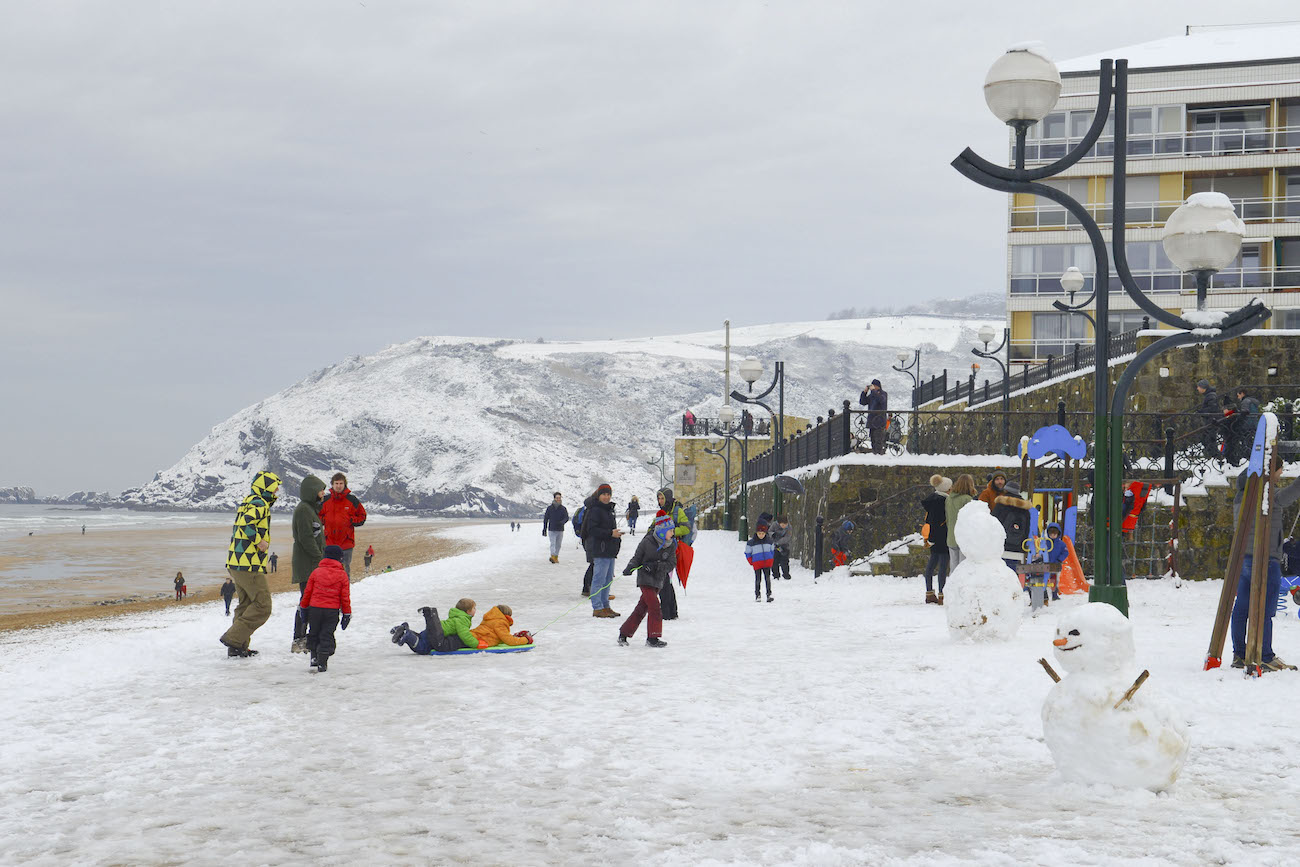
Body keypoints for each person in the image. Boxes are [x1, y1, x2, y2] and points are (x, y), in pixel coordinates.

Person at [1230, 463, 1300, 671]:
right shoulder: (1267, 495)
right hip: (1265, 559)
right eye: (1279, 470)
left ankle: (1240, 654)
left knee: (1241, 608)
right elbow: (1292, 492)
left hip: (1244, 558)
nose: (1281, 474)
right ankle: (1265, 656)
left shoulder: (1243, 493)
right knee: (1265, 609)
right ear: (1270, 471)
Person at [218, 470, 281, 658]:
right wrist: (259, 541)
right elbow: (246, 524)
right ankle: (233, 638)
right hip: (248, 563)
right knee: (263, 605)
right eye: (274, 487)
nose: (277, 490)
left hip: (235, 562)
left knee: (245, 604)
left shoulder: (249, 500)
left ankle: (238, 648)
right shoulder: (260, 503)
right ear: (266, 487)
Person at [618, 511, 676, 647]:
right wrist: (630, 568)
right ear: (662, 531)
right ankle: (653, 638)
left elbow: (672, 564)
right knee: (655, 606)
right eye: (670, 530)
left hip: (658, 581)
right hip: (645, 579)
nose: (672, 533)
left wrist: (656, 566)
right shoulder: (647, 541)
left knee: (641, 608)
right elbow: (637, 558)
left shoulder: (672, 545)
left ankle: (623, 634)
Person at [298, 545, 353, 672]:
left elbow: (307, 593)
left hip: (315, 609)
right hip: (332, 611)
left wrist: (304, 608)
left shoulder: (316, 572)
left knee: (314, 632)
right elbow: (345, 597)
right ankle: (322, 662)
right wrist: (346, 614)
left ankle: (314, 658)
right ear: (339, 558)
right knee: (326, 634)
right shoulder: (342, 575)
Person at [291, 475, 328, 654]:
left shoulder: (310, 509)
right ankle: (298, 639)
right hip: (308, 565)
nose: (323, 493)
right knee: (305, 601)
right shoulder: (304, 510)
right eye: (321, 490)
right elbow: (305, 538)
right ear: (312, 491)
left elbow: (316, 536)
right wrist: (320, 558)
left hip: (313, 564)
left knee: (310, 601)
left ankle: (305, 638)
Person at [584, 484, 624, 617]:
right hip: (600, 550)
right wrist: (610, 533)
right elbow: (592, 530)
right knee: (599, 579)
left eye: (608, 494)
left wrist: (615, 535)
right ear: (599, 495)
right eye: (604, 494)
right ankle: (597, 607)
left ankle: (605, 605)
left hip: (610, 550)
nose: (606, 497)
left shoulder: (609, 509)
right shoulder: (595, 510)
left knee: (607, 580)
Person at [652, 487, 690, 620]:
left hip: (672, 549)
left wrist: (671, 532)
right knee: (666, 580)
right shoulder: (662, 512)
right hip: (662, 549)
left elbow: (686, 528)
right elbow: (653, 528)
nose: (660, 500)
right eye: (658, 498)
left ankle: (667, 612)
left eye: (662, 498)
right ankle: (671, 611)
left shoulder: (677, 511)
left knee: (664, 580)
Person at [319, 472, 367, 577]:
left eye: (341, 483)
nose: (338, 486)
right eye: (336, 483)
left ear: (345, 484)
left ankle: (344, 593)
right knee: (327, 572)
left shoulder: (352, 500)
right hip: (328, 543)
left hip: (346, 544)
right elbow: (317, 516)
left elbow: (362, 516)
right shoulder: (325, 500)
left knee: (344, 572)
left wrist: (350, 520)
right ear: (332, 484)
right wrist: (325, 519)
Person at [391, 599, 478, 654]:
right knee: (423, 648)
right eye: (474, 608)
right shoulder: (463, 620)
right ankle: (407, 635)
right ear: (468, 611)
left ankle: (404, 629)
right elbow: (464, 635)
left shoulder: (457, 617)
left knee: (420, 638)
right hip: (438, 633)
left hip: (433, 629)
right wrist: (475, 644)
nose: (475, 610)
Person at [990, 479, 1033, 576]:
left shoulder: (1001, 504)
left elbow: (993, 523)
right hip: (1017, 546)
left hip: (1001, 545)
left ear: (1006, 490)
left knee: (999, 572)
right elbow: (1027, 530)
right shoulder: (1025, 509)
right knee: (1012, 572)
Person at [921, 475, 951, 604]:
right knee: (942, 568)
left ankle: (929, 593)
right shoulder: (943, 502)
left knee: (931, 565)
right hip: (943, 537)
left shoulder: (932, 501)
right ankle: (942, 594)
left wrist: (930, 538)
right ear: (946, 490)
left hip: (933, 537)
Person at [945, 474, 978, 569]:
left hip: (951, 537)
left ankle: (952, 584)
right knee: (963, 568)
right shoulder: (967, 499)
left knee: (954, 568)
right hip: (964, 538)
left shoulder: (949, 498)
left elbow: (947, 517)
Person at [746, 520, 776, 602]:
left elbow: (772, 550)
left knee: (767, 579)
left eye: (763, 533)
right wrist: (751, 562)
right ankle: (757, 595)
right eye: (759, 534)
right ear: (756, 533)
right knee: (758, 579)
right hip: (757, 563)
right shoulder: (751, 543)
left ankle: (769, 594)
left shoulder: (769, 541)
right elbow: (748, 553)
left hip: (767, 563)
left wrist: (770, 558)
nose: (761, 535)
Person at [1192, 379, 1221, 459]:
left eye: (1198, 387)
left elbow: (1212, 408)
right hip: (1210, 420)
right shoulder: (1209, 395)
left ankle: (1216, 456)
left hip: (1211, 421)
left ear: (1203, 388)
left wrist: (1201, 412)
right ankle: (1213, 456)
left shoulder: (1210, 396)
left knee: (1209, 439)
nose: (1197, 389)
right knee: (1207, 439)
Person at [858, 379, 889, 454]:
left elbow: (881, 400)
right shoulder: (872, 395)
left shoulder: (883, 394)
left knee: (878, 441)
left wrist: (873, 391)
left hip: (879, 421)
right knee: (873, 441)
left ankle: (879, 456)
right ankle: (875, 454)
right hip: (872, 421)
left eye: (874, 386)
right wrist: (864, 392)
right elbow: (863, 402)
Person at [543, 491, 569, 564]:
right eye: (557, 498)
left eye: (559, 498)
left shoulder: (563, 508)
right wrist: (544, 529)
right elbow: (546, 519)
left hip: (560, 529)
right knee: (553, 543)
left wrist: (562, 522)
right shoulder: (550, 508)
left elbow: (566, 517)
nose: (558, 499)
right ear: (554, 498)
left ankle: (556, 557)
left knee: (558, 544)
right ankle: (552, 556)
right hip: (552, 529)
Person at [769, 515, 793, 581]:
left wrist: (778, 543)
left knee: (784, 561)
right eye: (782, 525)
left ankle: (786, 574)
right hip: (774, 547)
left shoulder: (789, 527)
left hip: (784, 546)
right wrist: (773, 535)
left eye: (785, 524)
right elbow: (769, 531)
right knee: (774, 561)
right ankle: (776, 575)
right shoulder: (774, 525)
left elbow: (787, 537)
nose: (784, 526)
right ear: (779, 523)